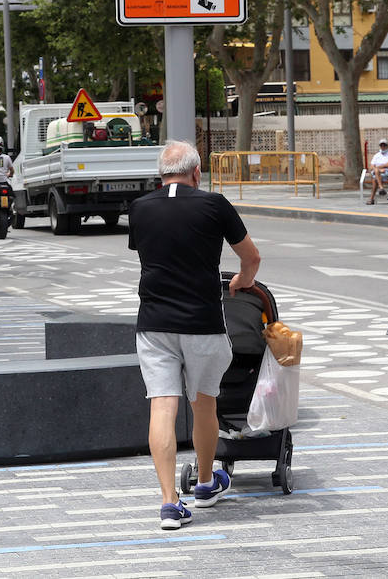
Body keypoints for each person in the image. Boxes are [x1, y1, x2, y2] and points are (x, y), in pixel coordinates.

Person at [128, 141, 262, 530]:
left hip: (154, 323)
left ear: (160, 175)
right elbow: (251, 257)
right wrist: (242, 281)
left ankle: (170, 502)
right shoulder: (214, 204)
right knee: (205, 403)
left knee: (162, 407)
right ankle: (204, 484)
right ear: (196, 174)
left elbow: (147, 252)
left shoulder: (140, 208)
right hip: (203, 321)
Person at [367, 138, 388, 204]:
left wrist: (377, 168)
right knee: (376, 175)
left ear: (387, 146)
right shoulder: (377, 155)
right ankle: (381, 188)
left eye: (384, 145)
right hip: (378, 173)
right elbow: (371, 166)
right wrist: (379, 170)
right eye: (381, 145)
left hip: (387, 173)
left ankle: (371, 199)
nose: (383, 147)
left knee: (375, 178)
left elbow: (387, 165)